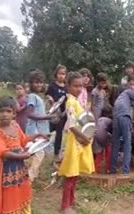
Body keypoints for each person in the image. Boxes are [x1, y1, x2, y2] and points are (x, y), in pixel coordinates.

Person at [0, 96, 48, 214]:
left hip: (20, 167)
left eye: (8, 111)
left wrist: (37, 136)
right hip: (9, 169)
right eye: (2, 111)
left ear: (14, 114)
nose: (5, 114)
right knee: (11, 193)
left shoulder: (16, 126)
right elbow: (4, 152)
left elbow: (23, 141)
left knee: (23, 189)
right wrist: (22, 156)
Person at [58, 72, 94, 213]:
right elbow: (72, 125)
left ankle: (71, 201)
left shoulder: (76, 101)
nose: (79, 89)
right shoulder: (71, 102)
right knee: (71, 174)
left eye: (81, 86)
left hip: (80, 142)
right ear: (68, 86)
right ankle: (65, 206)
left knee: (75, 173)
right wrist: (85, 138)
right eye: (75, 86)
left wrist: (89, 134)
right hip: (75, 142)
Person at [110, 75, 134, 175]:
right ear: (128, 85)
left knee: (115, 144)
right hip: (124, 117)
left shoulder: (121, 96)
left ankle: (112, 169)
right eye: (131, 84)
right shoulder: (129, 92)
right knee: (127, 144)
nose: (132, 86)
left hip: (115, 118)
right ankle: (126, 171)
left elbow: (133, 105)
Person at [25, 70, 55, 182]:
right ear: (31, 83)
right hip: (35, 129)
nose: (39, 85)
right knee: (39, 152)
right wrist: (47, 117)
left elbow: (39, 113)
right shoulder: (32, 96)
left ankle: (33, 174)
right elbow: (30, 114)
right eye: (36, 82)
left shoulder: (38, 96)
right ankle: (30, 177)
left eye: (41, 82)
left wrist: (47, 114)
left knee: (38, 152)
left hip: (40, 129)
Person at [46, 64, 67, 162]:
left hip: (62, 114)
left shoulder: (66, 87)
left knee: (59, 134)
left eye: (63, 74)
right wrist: (50, 99)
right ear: (56, 74)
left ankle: (56, 154)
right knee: (48, 131)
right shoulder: (52, 86)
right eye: (60, 74)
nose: (61, 76)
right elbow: (47, 95)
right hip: (53, 113)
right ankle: (43, 149)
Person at [93, 104, 113, 172]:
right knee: (108, 151)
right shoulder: (109, 120)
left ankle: (95, 168)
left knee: (99, 153)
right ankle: (108, 168)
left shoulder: (98, 119)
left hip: (96, 137)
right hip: (104, 137)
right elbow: (111, 131)